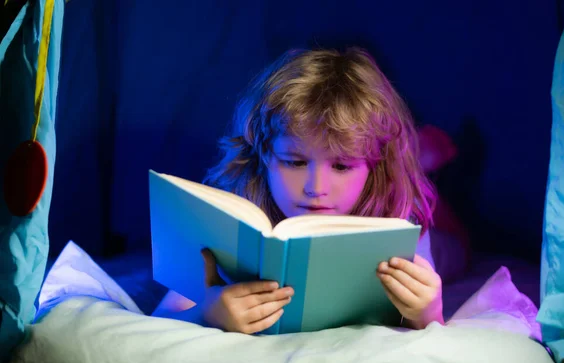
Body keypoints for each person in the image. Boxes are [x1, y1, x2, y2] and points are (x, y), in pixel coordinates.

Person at [152, 47, 444, 334]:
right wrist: (206, 314)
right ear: (265, 153)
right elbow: (162, 317)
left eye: (341, 166)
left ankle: (428, 156)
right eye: (295, 162)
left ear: (374, 167)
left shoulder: (401, 217)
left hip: (426, 220)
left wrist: (429, 312)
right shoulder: (230, 217)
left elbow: (431, 325)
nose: (316, 188)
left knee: (454, 248)